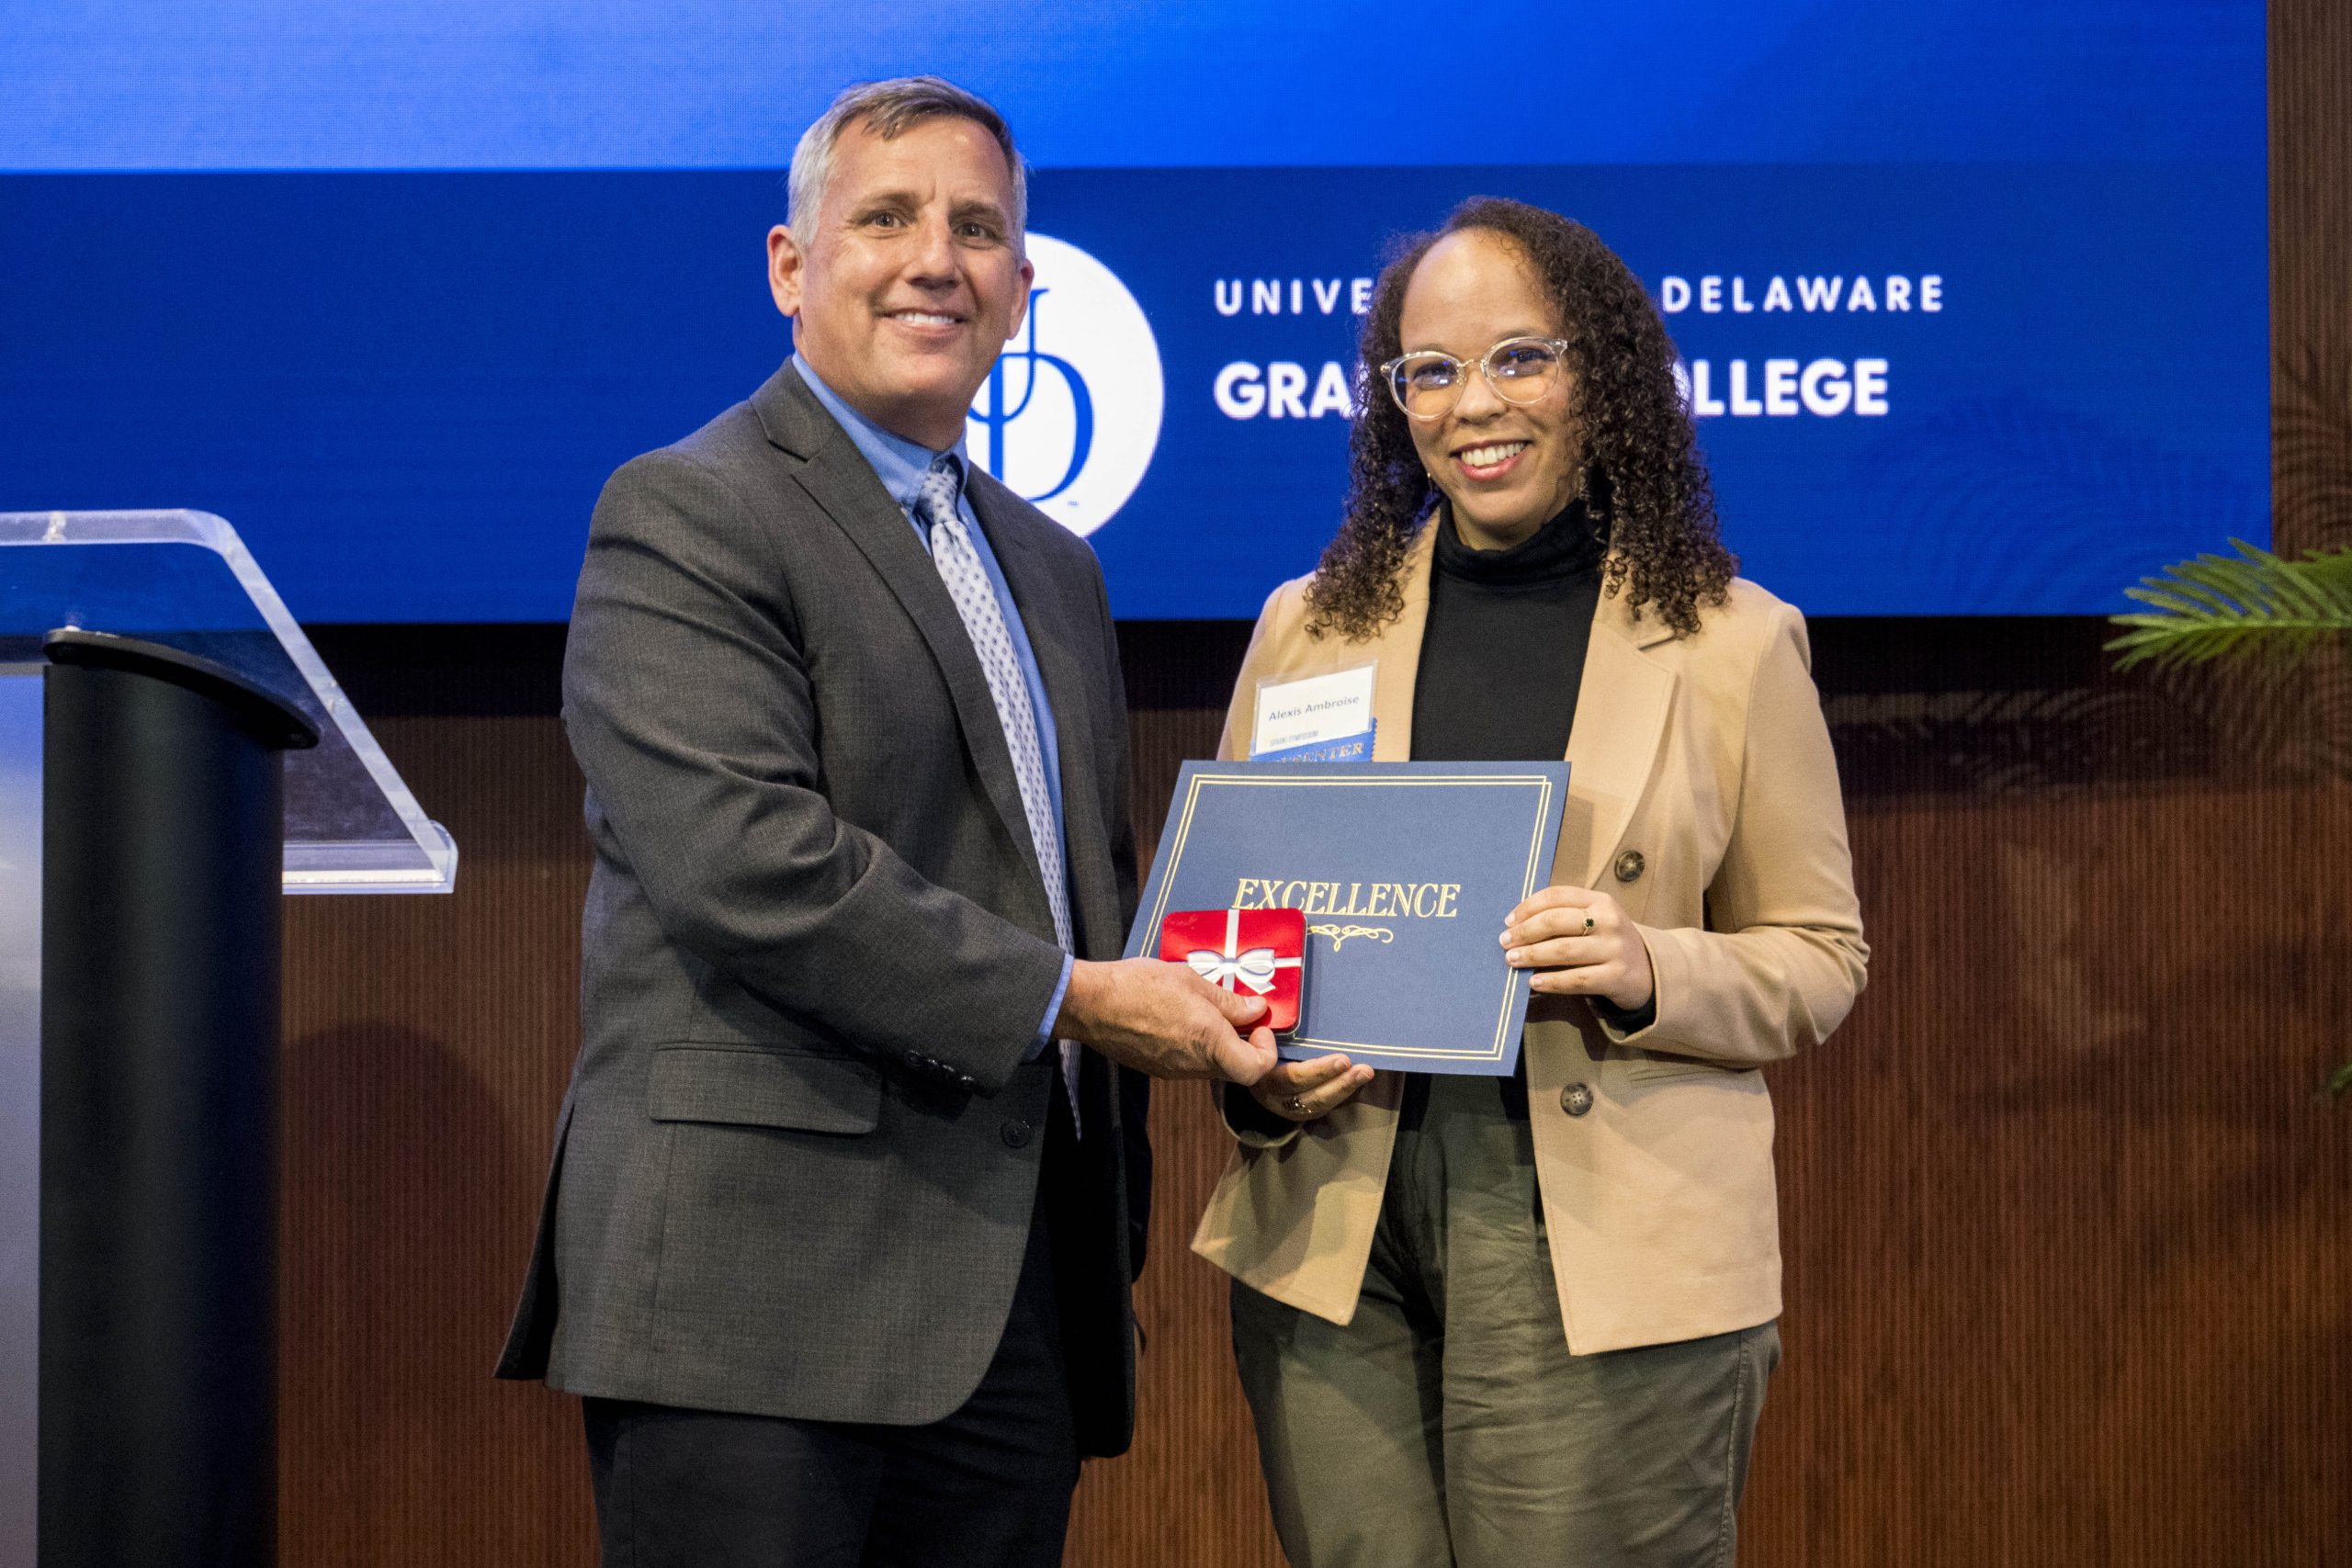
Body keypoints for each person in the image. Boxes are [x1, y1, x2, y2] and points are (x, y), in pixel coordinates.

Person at [495, 76, 1278, 1568]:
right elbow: (751, 870)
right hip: (757, 1307)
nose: (938, 259)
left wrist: (1246, 1032)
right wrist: (1080, 1001)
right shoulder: (685, 510)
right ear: (792, 267)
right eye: (889, 218)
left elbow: (1080, 886)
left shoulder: (1053, 566)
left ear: (1023, 287)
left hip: (1016, 1305)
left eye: (978, 228)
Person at [1191, 197, 1870, 1567]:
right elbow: (1232, 923)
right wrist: (1243, 1056)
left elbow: (1820, 954)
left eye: (1519, 358)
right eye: (1429, 372)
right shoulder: (1307, 626)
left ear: (1600, 375)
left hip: (1602, 1236)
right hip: (1337, 1223)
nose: (1472, 405)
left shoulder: (1735, 644)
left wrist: (1647, 970)